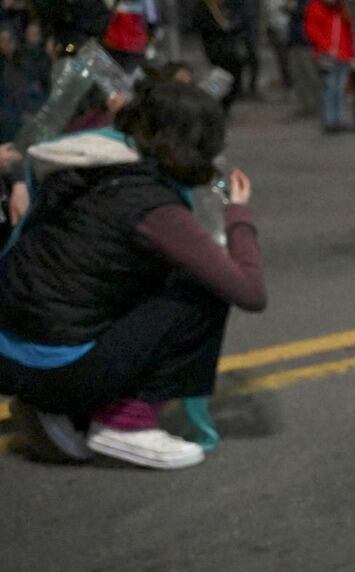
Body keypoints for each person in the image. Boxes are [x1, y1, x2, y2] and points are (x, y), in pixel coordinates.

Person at [0, 81, 266, 469]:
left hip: (11, 353)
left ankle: (54, 409)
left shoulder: (85, 164)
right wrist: (239, 214)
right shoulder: (150, 205)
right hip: (57, 368)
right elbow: (250, 291)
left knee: (131, 278)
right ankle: (125, 423)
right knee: (201, 290)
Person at [305, 0, 355, 130]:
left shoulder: (342, 8)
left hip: (343, 53)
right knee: (330, 87)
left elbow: (350, 28)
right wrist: (325, 46)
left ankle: (339, 119)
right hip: (327, 55)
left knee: (340, 89)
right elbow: (311, 29)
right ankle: (330, 120)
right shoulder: (316, 6)